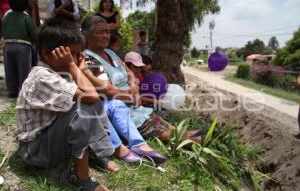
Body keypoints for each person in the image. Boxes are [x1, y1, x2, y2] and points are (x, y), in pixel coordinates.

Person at [16, 19, 113, 191]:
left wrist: (76, 68)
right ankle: (80, 176)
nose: (75, 60)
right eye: (71, 55)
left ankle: (95, 153)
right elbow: (91, 97)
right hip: (34, 151)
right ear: (47, 54)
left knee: (92, 103)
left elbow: (94, 96)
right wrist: (74, 68)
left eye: (77, 54)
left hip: (49, 140)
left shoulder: (60, 72)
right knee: (82, 106)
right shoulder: (42, 77)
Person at [81, 16, 203, 145]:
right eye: (100, 32)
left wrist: (134, 86)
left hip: (135, 106)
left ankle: (200, 136)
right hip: (121, 111)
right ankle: (201, 139)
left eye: (107, 32)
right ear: (87, 36)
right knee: (176, 136)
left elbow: (129, 72)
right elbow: (107, 90)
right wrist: (132, 96)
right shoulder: (88, 59)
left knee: (173, 129)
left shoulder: (111, 54)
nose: (106, 36)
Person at [2, 0, 37, 98]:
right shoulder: (25, 17)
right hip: (23, 46)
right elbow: (32, 32)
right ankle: (23, 90)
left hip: (8, 45)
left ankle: (12, 90)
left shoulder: (7, 15)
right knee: (24, 69)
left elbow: (3, 28)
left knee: (9, 69)